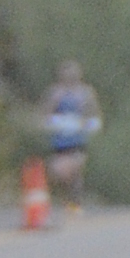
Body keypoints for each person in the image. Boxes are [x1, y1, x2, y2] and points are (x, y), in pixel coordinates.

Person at [42, 59, 101, 216]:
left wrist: (88, 123)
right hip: (60, 139)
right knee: (59, 173)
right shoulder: (55, 92)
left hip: (78, 139)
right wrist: (52, 118)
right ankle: (66, 200)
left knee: (76, 170)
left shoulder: (85, 92)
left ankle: (76, 202)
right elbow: (45, 113)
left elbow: (94, 112)